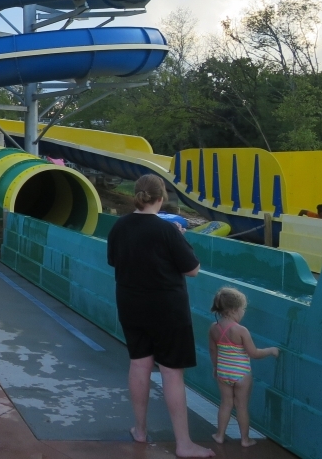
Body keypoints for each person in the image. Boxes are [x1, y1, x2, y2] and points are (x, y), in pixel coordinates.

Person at [106, 174, 214, 458]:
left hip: (130, 303)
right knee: (171, 373)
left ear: (137, 196)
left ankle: (140, 430)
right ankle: (184, 444)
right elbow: (192, 269)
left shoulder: (119, 226)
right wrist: (180, 239)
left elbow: (114, 260)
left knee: (139, 365)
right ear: (161, 198)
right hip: (167, 307)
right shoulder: (167, 230)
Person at [208, 287, 279, 446]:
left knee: (226, 403)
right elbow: (254, 353)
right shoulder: (241, 330)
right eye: (243, 309)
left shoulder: (214, 328)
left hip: (223, 372)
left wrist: (215, 367)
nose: (243, 312)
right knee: (241, 406)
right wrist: (270, 350)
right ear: (234, 310)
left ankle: (219, 435)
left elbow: (213, 351)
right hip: (241, 374)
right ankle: (245, 440)